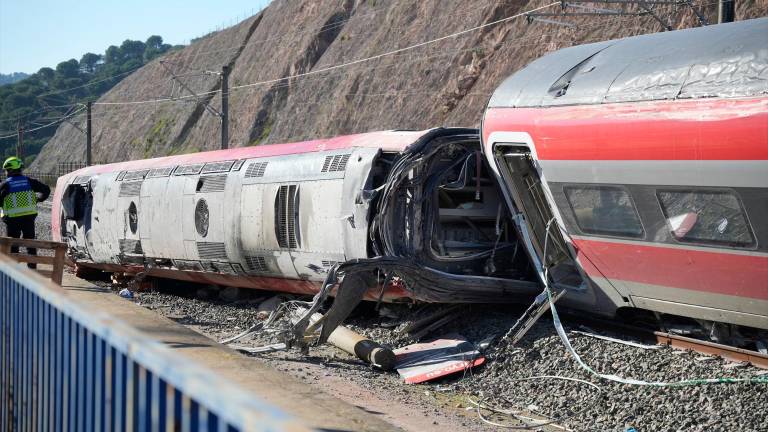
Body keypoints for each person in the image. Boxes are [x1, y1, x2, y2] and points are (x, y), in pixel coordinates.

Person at [0, 156, 51, 267]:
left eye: (6, 170)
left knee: (13, 245)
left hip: (12, 219)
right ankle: (32, 270)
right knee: (30, 243)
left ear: (9, 170)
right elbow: (46, 189)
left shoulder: (6, 184)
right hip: (29, 218)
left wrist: (2, 211)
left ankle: (14, 271)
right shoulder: (29, 181)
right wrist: (40, 199)